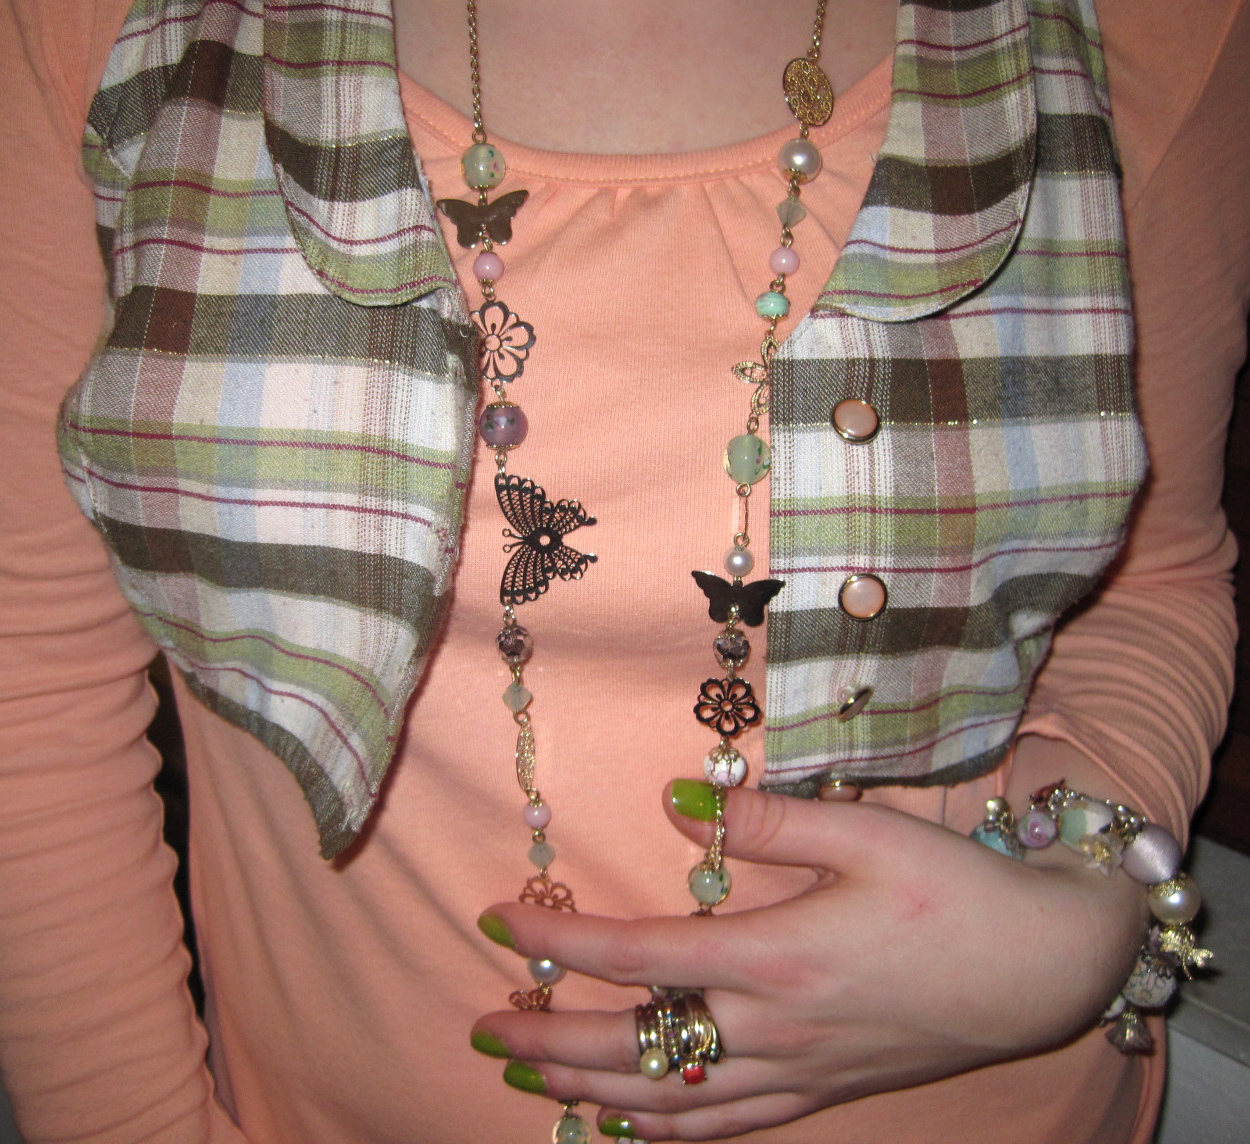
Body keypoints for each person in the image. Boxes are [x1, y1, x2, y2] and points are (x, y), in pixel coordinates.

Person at [0, 0, 1246, 1142]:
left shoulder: (1150, 29)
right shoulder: (97, 28)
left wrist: (1088, 907)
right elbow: (33, 668)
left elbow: (1148, 578)